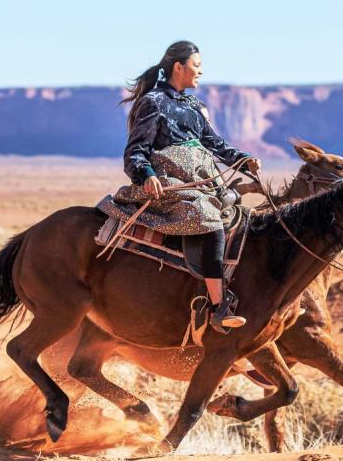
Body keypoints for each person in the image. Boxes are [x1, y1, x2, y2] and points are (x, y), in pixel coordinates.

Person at [99, 40, 261, 332]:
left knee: (241, 218)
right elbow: (135, 150)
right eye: (197, 66)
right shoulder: (153, 102)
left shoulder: (193, 105)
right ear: (179, 67)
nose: (201, 72)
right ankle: (219, 306)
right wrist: (147, 175)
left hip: (203, 180)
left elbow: (215, 144)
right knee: (208, 217)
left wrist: (243, 159)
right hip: (169, 185)